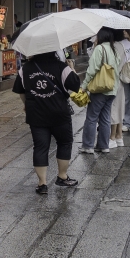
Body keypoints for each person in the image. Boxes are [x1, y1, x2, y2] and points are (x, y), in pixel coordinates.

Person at [14, 51, 81, 194]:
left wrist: (26, 104)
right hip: (59, 113)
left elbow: (20, 91)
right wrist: (72, 67)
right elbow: (75, 84)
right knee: (64, 143)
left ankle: (42, 183)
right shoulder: (61, 67)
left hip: (36, 114)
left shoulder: (25, 68)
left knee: (40, 147)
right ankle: (62, 176)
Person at [81, 27, 119, 154]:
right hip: (112, 89)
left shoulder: (99, 49)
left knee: (92, 117)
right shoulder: (114, 50)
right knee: (105, 118)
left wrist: (84, 85)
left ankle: (88, 146)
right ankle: (104, 145)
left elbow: (92, 70)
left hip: (100, 89)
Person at [109, 30, 126, 148]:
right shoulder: (121, 45)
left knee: (113, 108)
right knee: (119, 107)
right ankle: (119, 136)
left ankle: (112, 137)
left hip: (110, 80)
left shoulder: (111, 47)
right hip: (120, 80)